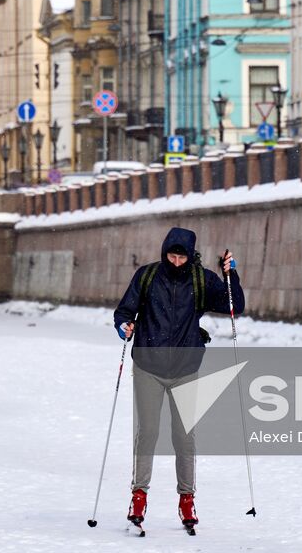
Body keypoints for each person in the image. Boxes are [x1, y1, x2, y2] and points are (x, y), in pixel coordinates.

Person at [113, 225, 244, 532]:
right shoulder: (147, 276)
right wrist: (123, 326)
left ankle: (187, 499)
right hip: (148, 365)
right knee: (147, 432)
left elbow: (234, 305)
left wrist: (230, 276)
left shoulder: (201, 280)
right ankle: (139, 495)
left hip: (185, 368)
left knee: (184, 437)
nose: (175, 262)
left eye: (181, 257)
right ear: (164, 252)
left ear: (190, 256)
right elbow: (125, 311)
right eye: (171, 255)